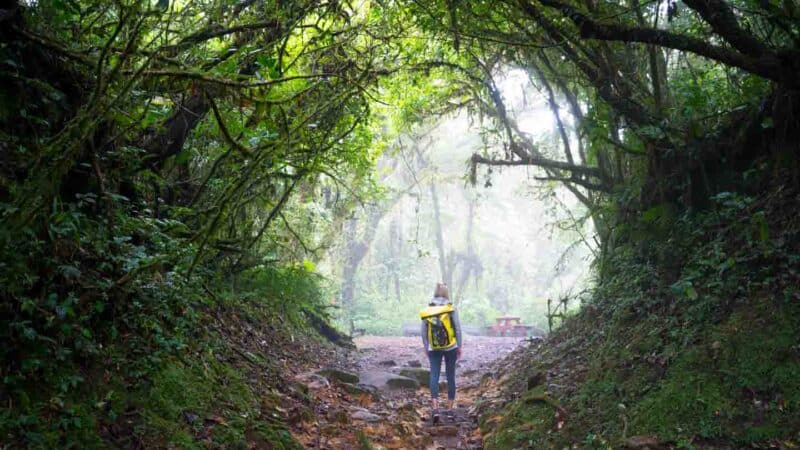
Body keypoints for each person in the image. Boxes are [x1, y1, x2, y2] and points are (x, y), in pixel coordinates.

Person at [420, 283, 462, 422]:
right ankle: (450, 410)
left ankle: (435, 408)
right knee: (451, 376)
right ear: (446, 293)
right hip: (451, 347)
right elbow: (457, 329)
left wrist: (426, 346)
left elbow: (423, 331)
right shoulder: (451, 308)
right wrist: (459, 346)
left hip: (434, 348)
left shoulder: (428, 309)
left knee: (434, 375)